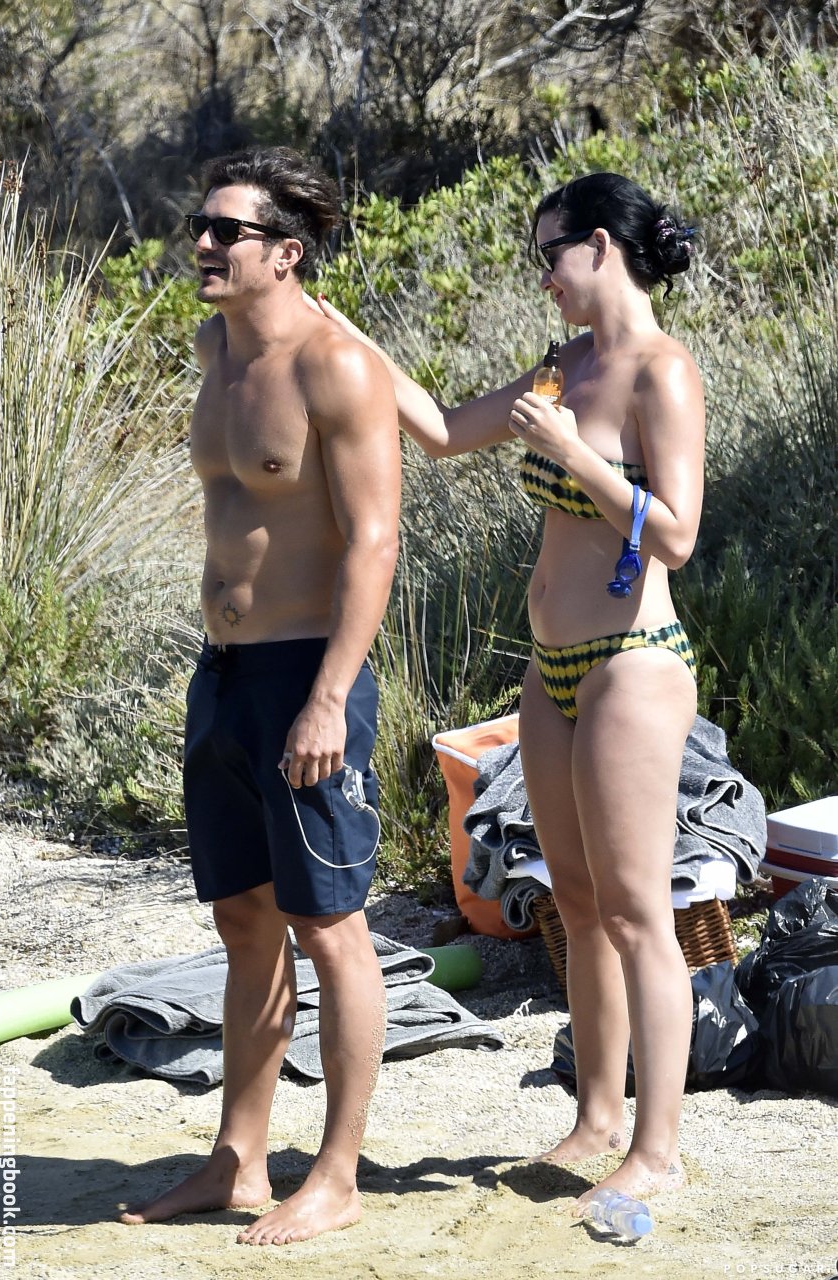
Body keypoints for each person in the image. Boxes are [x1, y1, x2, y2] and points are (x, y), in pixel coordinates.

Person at [318, 171, 704, 1205]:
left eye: (551, 255)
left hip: (631, 662)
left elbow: (675, 535)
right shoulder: (560, 364)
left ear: (601, 247)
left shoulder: (661, 371)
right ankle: (597, 1116)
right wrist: (344, 337)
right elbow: (444, 432)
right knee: (573, 902)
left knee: (635, 910)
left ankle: (657, 1150)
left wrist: (574, 452)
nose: (544, 278)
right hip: (551, 670)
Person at [120, 146, 401, 1245]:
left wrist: (329, 699)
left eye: (225, 231)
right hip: (225, 671)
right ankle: (238, 1157)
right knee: (243, 918)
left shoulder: (338, 368)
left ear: (285, 253)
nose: (201, 243)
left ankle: (336, 1172)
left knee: (329, 926)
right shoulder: (214, 347)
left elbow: (373, 542)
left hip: (305, 672)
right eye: (199, 225)